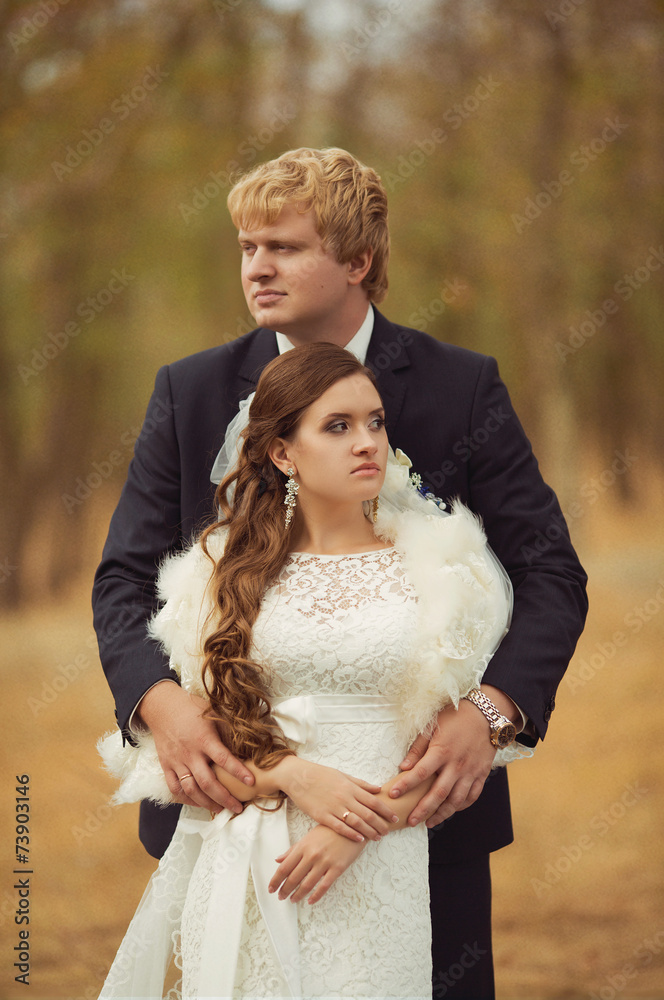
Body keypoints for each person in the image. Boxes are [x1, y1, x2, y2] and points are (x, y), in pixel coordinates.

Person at [92, 146, 588, 997]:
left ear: (358, 261)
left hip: (423, 815)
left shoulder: (460, 387)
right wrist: (162, 704)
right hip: (235, 802)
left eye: (283, 246)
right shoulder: (192, 389)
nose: (258, 266)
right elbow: (124, 581)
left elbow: (550, 572)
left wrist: (491, 712)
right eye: (247, 246)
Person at [98, 342, 521, 998]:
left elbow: (456, 741)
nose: (367, 443)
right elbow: (200, 727)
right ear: (282, 452)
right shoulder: (218, 570)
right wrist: (291, 776)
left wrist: (354, 832)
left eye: (376, 422)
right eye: (338, 426)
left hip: (382, 857)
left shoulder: (443, 570)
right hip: (250, 846)